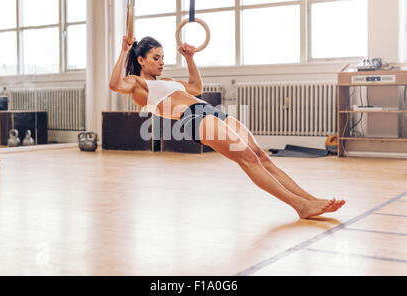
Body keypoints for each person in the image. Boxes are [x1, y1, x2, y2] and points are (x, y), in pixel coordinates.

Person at [109, 35, 345, 219]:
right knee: (248, 160)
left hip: (210, 111)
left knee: (262, 157)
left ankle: (310, 199)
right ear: (141, 60)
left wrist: (190, 58)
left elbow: (195, 87)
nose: (162, 62)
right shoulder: (137, 84)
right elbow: (115, 84)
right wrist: (123, 51)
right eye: (155, 58)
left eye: (162, 57)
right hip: (193, 118)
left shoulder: (168, 82)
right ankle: (300, 206)